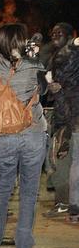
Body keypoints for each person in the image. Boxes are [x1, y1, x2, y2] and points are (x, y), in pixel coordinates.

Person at [0, 23, 48, 248]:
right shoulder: (33, 64)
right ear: (21, 41)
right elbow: (43, 89)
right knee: (29, 190)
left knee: (2, 188)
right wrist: (33, 58)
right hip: (33, 132)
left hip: (4, 134)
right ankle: (24, 243)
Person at [41, 22, 75, 218]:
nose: (55, 36)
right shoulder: (57, 55)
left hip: (70, 116)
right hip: (62, 114)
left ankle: (64, 203)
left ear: (70, 35)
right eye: (53, 33)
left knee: (62, 160)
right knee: (60, 159)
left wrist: (60, 87)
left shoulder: (71, 55)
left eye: (59, 33)